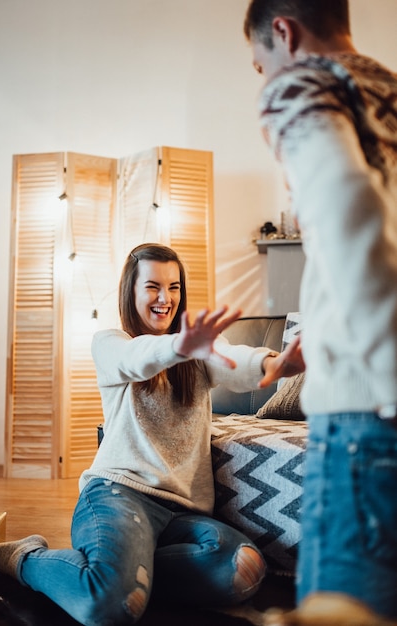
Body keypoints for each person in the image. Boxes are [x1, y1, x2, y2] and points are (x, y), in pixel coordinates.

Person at [0, 243, 303, 626]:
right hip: (119, 494)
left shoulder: (196, 352)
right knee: (107, 605)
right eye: (153, 286)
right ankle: (23, 558)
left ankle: (131, 575)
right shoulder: (111, 343)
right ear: (131, 291)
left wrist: (276, 363)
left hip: (182, 512)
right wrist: (181, 344)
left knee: (242, 568)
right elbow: (136, 359)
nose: (165, 298)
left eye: (174, 287)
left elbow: (235, 361)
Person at [243, 0, 397, 623]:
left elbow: (346, 209)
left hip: (368, 410)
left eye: (259, 65)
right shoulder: (387, 90)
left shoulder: (300, 85)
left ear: (283, 31)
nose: (264, 77)